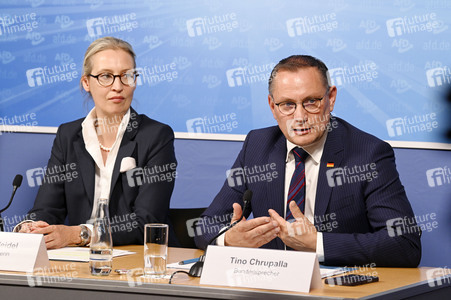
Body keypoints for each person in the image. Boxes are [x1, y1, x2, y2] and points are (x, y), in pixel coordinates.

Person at [194, 55, 421, 267]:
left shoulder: (368, 153)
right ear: (273, 107)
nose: (300, 117)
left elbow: (405, 244)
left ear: (331, 98)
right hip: (269, 285)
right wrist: (229, 239)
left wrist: (317, 244)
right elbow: (204, 226)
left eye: (311, 102)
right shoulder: (258, 145)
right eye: (287, 105)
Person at [15, 37, 177, 249]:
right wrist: (33, 226)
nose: (118, 86)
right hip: (81, 260)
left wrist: (80, 234)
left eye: (127, 76)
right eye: (106, 76)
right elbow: (48, 207)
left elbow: (146, 222)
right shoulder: (68, 135)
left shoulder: (156, 136)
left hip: (136, 259)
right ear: (86, 83)